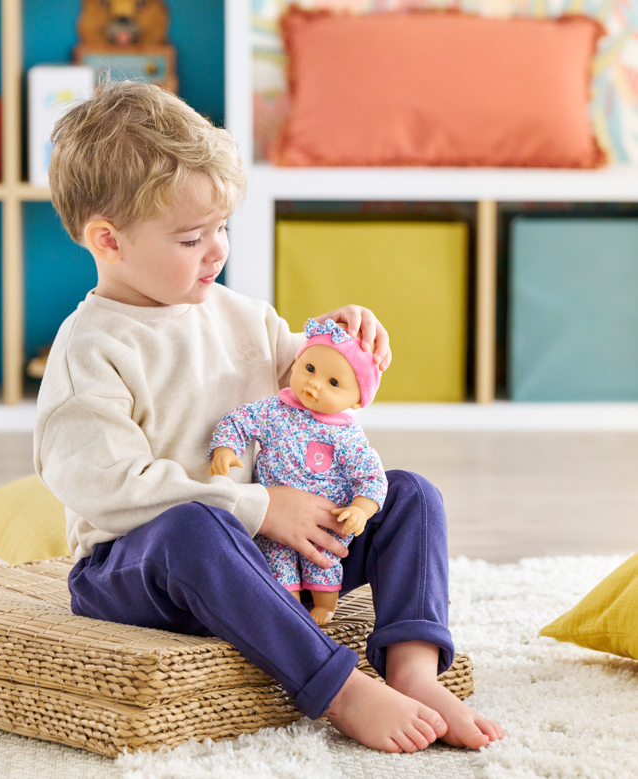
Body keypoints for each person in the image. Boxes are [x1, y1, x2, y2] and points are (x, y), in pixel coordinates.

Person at [33, 78, 503, 754]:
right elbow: (107, 487)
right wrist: (255, 507)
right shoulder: (92, 349)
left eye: (221, 228)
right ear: (107, 239)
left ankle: (411, 665)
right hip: (139, 566)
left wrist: (346, 338)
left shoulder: (240, 313)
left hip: (267, 547)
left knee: (408, 497)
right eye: (192, 237)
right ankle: (337, 687)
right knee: (194, 529)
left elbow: (310, 382)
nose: (217, 250)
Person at [208, 317, 386, 625]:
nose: (314, 384)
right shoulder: (275, 411)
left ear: (357, 400)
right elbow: (238, 421)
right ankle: (287, 613)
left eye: (333, 383)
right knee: (276, 564)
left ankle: (326, 606)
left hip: (325, 524)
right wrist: (226, 448)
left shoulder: (347, 437)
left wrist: (360, 509)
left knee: (324, 562)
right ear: (298, 361)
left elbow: (371, 477)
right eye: (309, 369)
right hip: (273, 519)